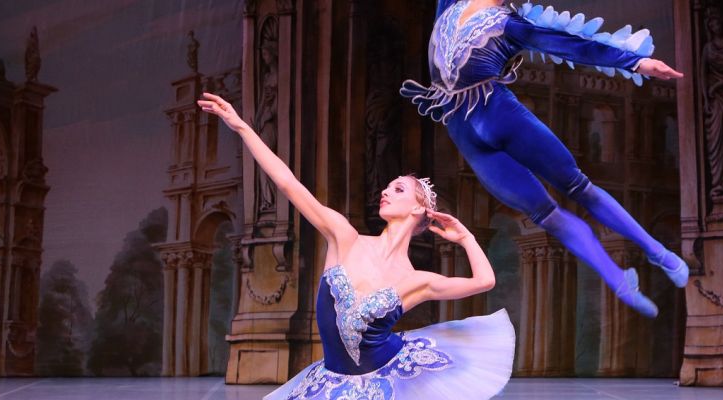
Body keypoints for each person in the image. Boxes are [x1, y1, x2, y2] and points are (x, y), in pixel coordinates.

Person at [198, 93, 515, 400]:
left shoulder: (416, 280)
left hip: (384, 382)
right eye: (387, 187)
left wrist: (466, 238)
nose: (385, 192)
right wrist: (241, 126)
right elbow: (287, 182)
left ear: (418, 208)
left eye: (398, 189)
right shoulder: (344, 236)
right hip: (330, 385)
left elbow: (484, 281)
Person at [400, 0, 688, 317]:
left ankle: (658, 253)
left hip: (504, 118)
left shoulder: (509, 24)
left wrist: (636, 62)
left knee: (579, 188)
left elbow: (570, 46)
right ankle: (620, 282)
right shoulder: (449, 5)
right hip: (467, 136)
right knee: (546, 215)